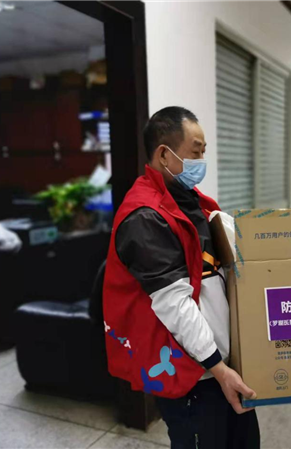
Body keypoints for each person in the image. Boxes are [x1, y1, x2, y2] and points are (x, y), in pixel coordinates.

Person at [103, 106, 260, 448]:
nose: (202, 161)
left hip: (223, 364)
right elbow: (174, 304)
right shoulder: (145, 217)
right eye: (196, 152)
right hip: (195, 373)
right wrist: (217, 368)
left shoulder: (194, 203)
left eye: (204, 152)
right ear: (164, 154)